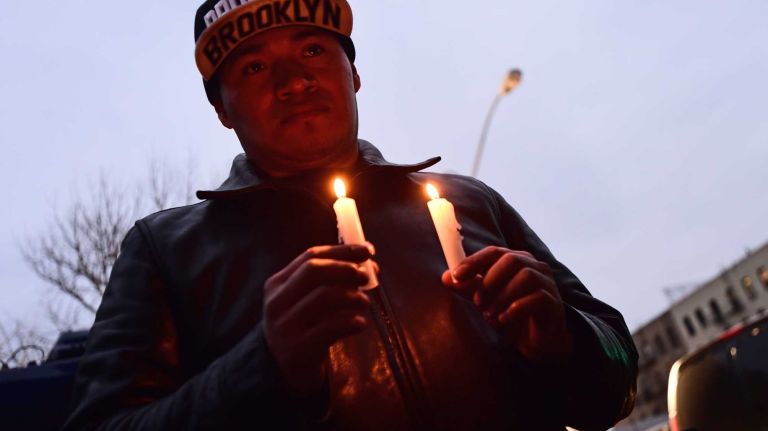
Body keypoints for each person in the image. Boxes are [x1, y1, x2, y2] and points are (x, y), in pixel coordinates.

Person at [64, 1, 637, 430]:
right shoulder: (167, 252)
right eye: (255, 68)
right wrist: (262, 366)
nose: (293, 81)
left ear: (354, 75)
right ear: (221, 111)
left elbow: (621, 370)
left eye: (312, 49)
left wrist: (568, 340)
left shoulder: (468, 200)